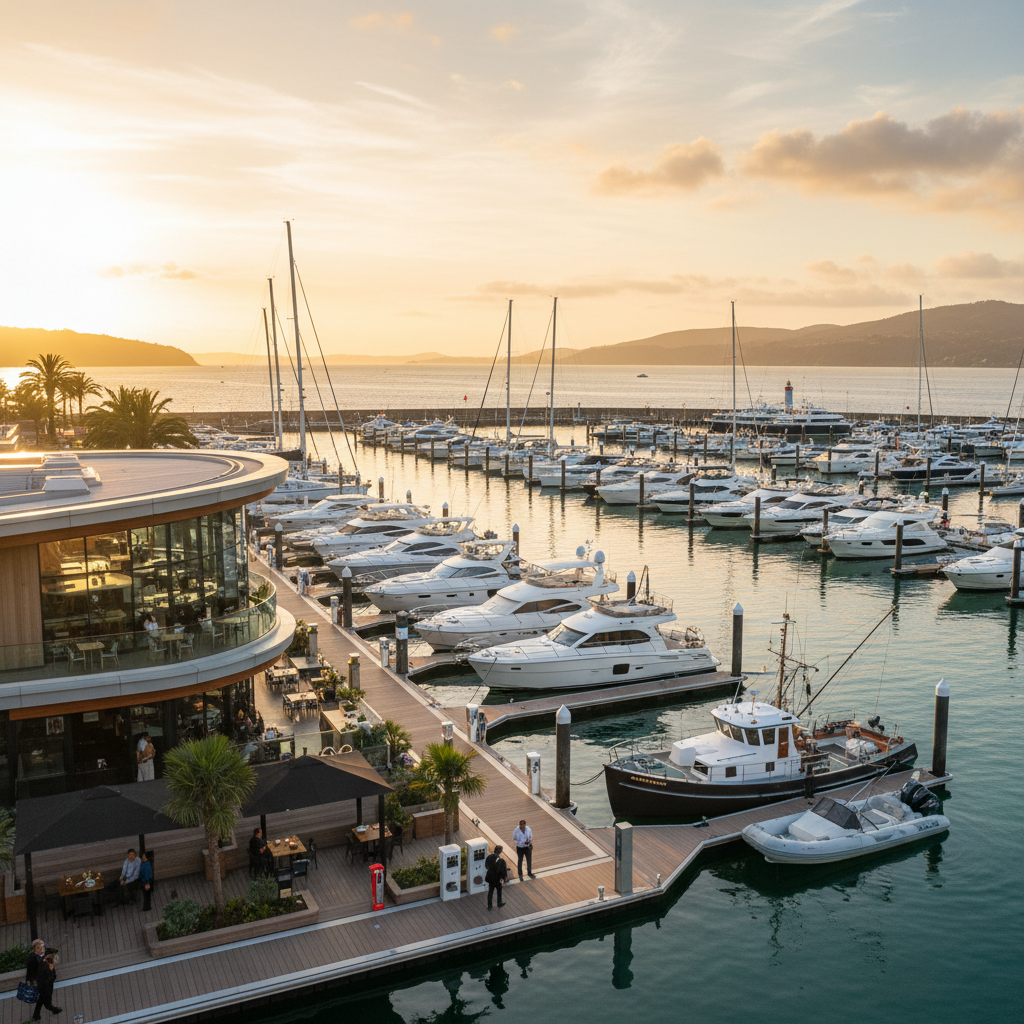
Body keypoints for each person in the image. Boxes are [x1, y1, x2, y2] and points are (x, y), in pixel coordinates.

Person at [28, 946, 61, 1019]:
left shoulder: (46, 962)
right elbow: (44, 976)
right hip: (45, 986)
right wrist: (51, 977)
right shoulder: (45, 965)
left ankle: (36, 1015)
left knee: (41, 999)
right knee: (46, 1002)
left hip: (45, 985)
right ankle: (53, 1010)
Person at [484, 844, 507, 910]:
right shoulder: (502, 861)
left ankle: (489, 906)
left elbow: (486, 866)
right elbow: (503, 872)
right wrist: (503, 878)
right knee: (499, 891)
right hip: (497, 879)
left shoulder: (489, 857)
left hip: (490, 877)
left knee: (490, 891)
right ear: (500, 852)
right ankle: (499, 903)